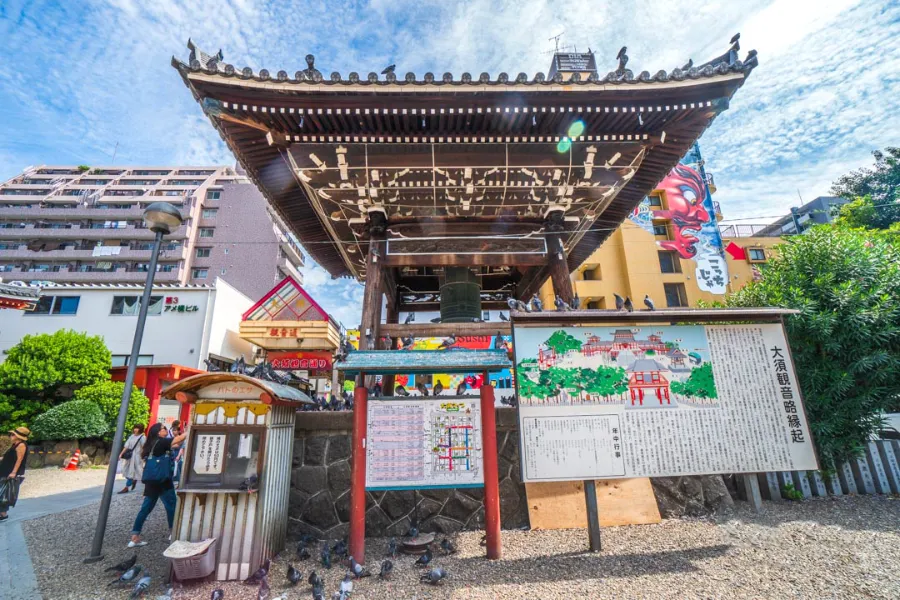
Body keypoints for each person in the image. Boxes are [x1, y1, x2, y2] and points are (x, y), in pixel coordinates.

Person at [129, 423, 186, 547]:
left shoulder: (151, 445)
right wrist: (191, 429)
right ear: (158, 432)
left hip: (151, 482)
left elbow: (177, 445)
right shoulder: (161, 442)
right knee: (171, 506)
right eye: (163, 428)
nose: (165, 429)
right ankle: (173, 533)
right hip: (163, 481)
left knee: (145, 509)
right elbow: (178, 439)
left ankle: (134, 537)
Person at [0, 427, 29, 522]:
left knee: (4, 493)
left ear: (18, 437)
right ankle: (2, 513)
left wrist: (13, 472)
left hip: (9, 472)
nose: (11, 436)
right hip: (4, 470)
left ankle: (3, 514)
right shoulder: (15, 445)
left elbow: (19, 460)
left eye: (13, 434)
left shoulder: (21, 445)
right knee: (2, 492)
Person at [118, 424, 146, 494]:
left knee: (133, 472)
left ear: (141, 429)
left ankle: (127, 487)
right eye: (135, 428)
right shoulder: (132, 436)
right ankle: (134, 480)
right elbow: (126, 446)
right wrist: (121, 454)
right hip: (130, 456)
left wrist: (143, 456)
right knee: (126, 470)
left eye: (137, 428)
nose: (135, 429)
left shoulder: (142, 437)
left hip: (137, 457)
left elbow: (144, 448)